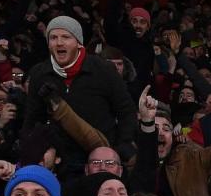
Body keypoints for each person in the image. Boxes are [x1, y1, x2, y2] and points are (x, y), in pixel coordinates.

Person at [23, 16, 137, 168]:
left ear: (78, 42)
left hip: (99, 158)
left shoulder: (102, 69)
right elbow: (32, 119)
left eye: (66, 37)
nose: (59, 42)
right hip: (60, 162)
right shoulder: (39, 73)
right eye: (53, 37)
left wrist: (122, 146)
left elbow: (126, 110)